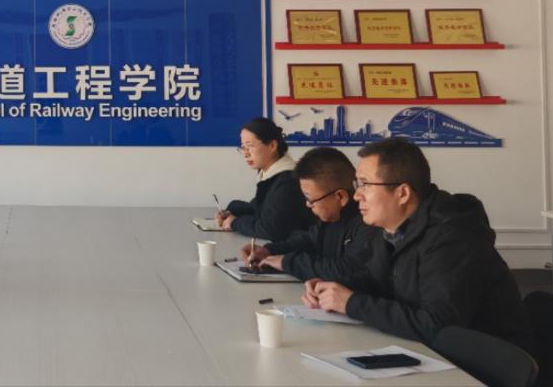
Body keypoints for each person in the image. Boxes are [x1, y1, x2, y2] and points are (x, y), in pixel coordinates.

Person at [304, 137, 534, 351]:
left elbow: (438, 325)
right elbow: (375, 280)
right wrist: (331, 289)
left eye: (365, 184)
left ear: (403, 193)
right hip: (435, 354)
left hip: (484, 364)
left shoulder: (451, 238)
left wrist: (351, 303)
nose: (356, 195)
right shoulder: (393, 230)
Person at [240, 146, 374, 280]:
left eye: (311, 199)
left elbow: (345, 270)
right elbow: (309, 241)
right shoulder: (330, 217)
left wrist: (287, 262)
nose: (308, 204)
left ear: (340, 197)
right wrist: (269, 250)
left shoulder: (367, 223)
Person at [216, 117, 314, 240]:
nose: (246, 153)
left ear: (272, 145)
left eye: (250, 146)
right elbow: (259, 208)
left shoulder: (288, 180)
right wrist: (231, 213)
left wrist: (235, 223)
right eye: (243, 147)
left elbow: (271, 229)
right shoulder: (269, 173)